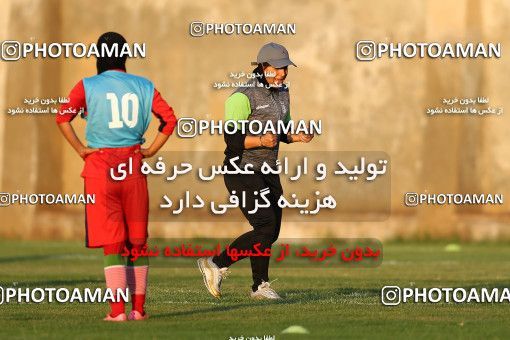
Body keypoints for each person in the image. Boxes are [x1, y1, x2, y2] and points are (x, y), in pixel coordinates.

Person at [56, 32, 177, 321]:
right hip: (133, 167)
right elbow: (170, 120)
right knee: (137, 241)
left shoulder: (87, 85)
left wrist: (81, 149)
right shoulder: (143, 85)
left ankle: (116, 313)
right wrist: (150, 151)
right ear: (125, 55)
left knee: (112, 242)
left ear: (99, 55)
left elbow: (62, 118)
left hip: (100, 169)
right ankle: (138, 310)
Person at [198, 42, 313, 299]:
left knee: (270, 232)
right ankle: (216, 264)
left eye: (286, 69)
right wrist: (260, 141)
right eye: (279, 68)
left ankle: (259, 287)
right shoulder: (241, 97)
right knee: (264, 224)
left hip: (268, 170)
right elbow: (232, 141)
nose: (283, 73)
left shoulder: (283, 93)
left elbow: (281, 132)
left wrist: (297, 136)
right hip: (241, 169)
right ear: (263, 67)